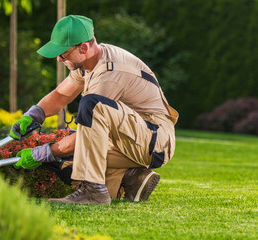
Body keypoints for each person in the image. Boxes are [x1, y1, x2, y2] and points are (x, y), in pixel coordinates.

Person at [9, 15, 178, 205]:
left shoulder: (109, 74)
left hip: (154, 140)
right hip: (131, 138)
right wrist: (34, 115)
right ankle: (131, 178)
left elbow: (83, 135)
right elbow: (61, 95)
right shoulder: (88, 63)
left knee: (89, 108)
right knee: (65, 163)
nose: (58, 59)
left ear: (83, 47)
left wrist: (42, 152)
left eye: (63, 54)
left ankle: (94, 191)